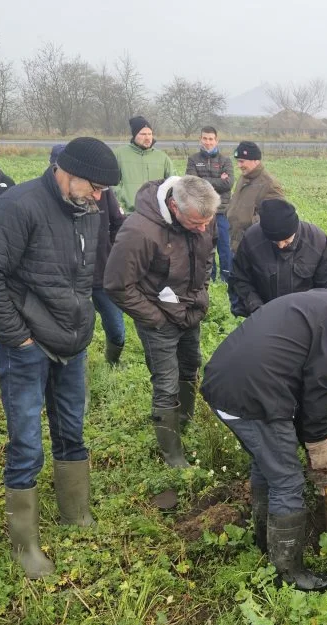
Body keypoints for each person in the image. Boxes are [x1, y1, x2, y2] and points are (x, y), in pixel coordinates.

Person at [0, 137, 122, 579]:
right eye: (94, 187)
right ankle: (25, 545)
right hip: (26, 350)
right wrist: (18, 339)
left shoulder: (88, 211)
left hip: (71, 345)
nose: (99, 197)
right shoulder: (18, 206)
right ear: (65, 172)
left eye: (104, 191)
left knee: (72, 429)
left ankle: (75, 511)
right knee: (27, 443)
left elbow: (80, 279)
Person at [200, 280, 327, 592]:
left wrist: (307, 439)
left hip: (223, 384)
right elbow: (320, 383)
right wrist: (318, 444)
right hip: (254, 395)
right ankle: (289, 571)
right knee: (287, 481)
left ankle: (265, 539)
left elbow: (302, 379)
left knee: (265, 464)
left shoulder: (315, 301)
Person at [105, 176, 217, 469]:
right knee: (166, 383)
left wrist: (201, 293)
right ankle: (173, 456)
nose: (204, 228)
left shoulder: (203, 216)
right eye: (196, 224)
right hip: (158, 319)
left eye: (208, 222)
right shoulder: (139, 231)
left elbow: (206, 259)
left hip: (190, 312)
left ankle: (184, 424)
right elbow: (117, 285)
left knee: (191, 366)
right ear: (173, 207)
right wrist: (154, 317)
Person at [51, 143, 128, 366]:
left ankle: (113, 361)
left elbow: (118, 223)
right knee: (76, 331)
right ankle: (77, 368)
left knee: (117, 328)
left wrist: (111, 251)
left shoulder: (102, 192)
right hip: (71, 282)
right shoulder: (48, 201)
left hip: (103, 274)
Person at [230, 199, 327, 317]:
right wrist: (257, 309)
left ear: (294, 229)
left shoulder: (319, 242)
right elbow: (240, 279)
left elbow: (326, 289)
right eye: (275, 241)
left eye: (286, 240)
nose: (281, 245)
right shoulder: (251, 240)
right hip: (263, 315)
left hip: (306, 317)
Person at [225, 140, 285, 307]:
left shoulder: (269, 184)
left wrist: (251, 223)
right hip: (235, 242)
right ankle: (237, 314)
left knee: (250, 287)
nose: (239, 165)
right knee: (236, 283)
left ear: (255, 160)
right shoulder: (244, 179)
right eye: (238, 161)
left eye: (242, 161)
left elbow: (276, 215)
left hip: (252, 246)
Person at [186, 126, 235, 282]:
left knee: (224, 247)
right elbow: (192, 183)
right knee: (206, 246)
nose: (208, 142)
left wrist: (203, 181)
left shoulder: (225, 160)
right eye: (205, 138)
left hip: (222, 211)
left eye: (211, 139)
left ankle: (226, 277)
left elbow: (228, 184)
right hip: (203, 211)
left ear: (216, 140)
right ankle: (210, 276)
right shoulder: (193, 160)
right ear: (200, 139)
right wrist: (218, 180)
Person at [112, 116, 175, 213]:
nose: (148, 138)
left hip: (156, 214)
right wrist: (122, 203)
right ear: (134, 134)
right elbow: (112, 184)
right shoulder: (118, 155)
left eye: (150, 134)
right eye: (143, 134)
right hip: (128, 213)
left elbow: (173, 183)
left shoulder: (163, 157)